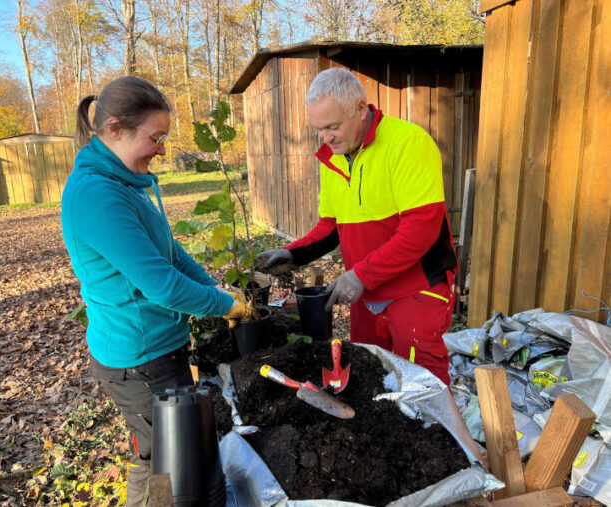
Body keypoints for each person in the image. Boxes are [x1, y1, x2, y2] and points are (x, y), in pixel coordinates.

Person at [61, 76, 247, 505]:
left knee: (155, 451)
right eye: (155, 137)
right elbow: (162, 285)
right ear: (113, 129)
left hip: (157, 351)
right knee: (166, 463)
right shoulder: (97, 195)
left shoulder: (123, 184)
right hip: (140, 359)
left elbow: (170, 253)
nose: (162, 148)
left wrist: (209, 285)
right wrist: (226, 307)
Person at [256, 68, 457, 385]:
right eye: (319, 129)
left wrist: (361, 275)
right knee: (371, 372)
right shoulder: (332, 158)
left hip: (417, 286)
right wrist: (291, 253)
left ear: (361, 108)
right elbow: (331, 227)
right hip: (367, 291)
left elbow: (421, 229)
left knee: (421, 379)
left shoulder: (408, 143)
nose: (327, 137)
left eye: (333, 126)